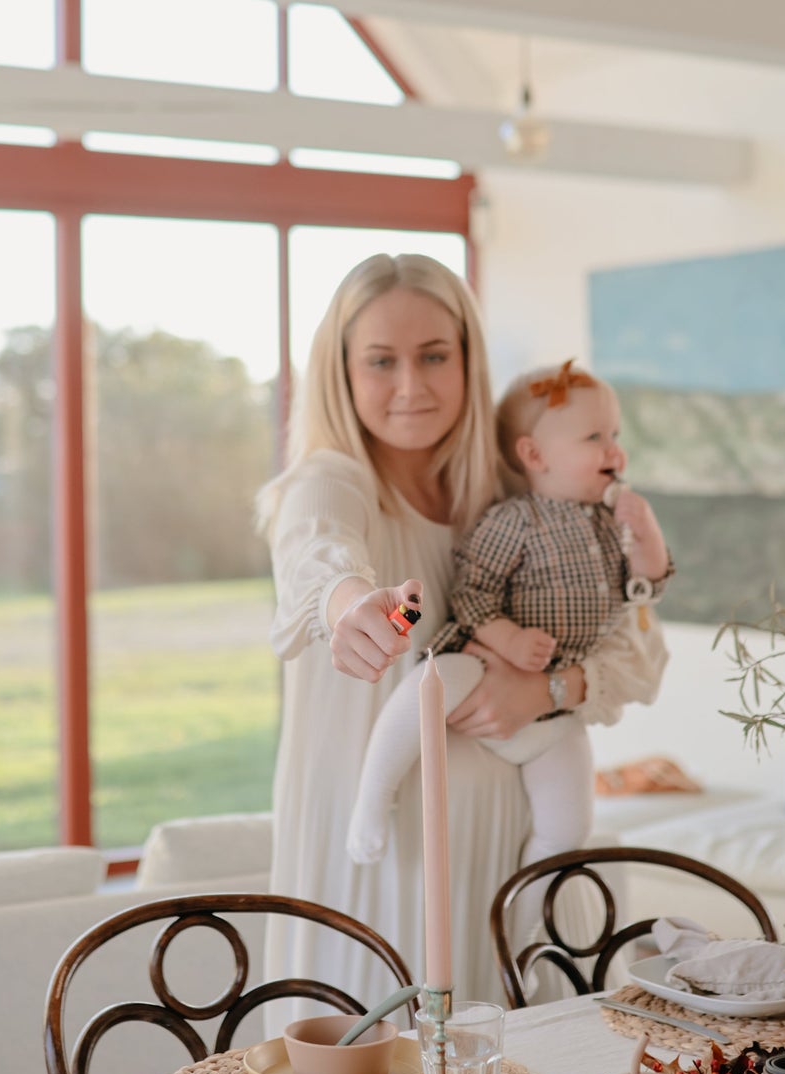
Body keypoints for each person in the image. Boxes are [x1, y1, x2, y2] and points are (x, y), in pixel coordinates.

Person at [257, 253, 672, 1009]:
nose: (410, 385)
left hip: (516, 856)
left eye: (434, 356)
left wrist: (547, 688)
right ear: (341, 373)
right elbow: (318, 556)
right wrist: (350, 605)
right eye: (381, 360)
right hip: (388, 864)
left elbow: (638, 641)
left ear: (467, 361)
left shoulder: (518, 492)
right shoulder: (329, 481)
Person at [346, 359, 671, 871]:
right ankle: (373, 796)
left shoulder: (613, 522)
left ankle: (525, 931)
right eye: (594, 437)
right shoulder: (513, 520)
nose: (614, 449)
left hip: (552, 705)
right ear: (534, 454)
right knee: (436, 678)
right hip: (487, 661)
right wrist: (510, 639)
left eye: (615, 434)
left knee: (568, 830)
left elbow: (644, 587)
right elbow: (471, 595)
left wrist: (647, 532)